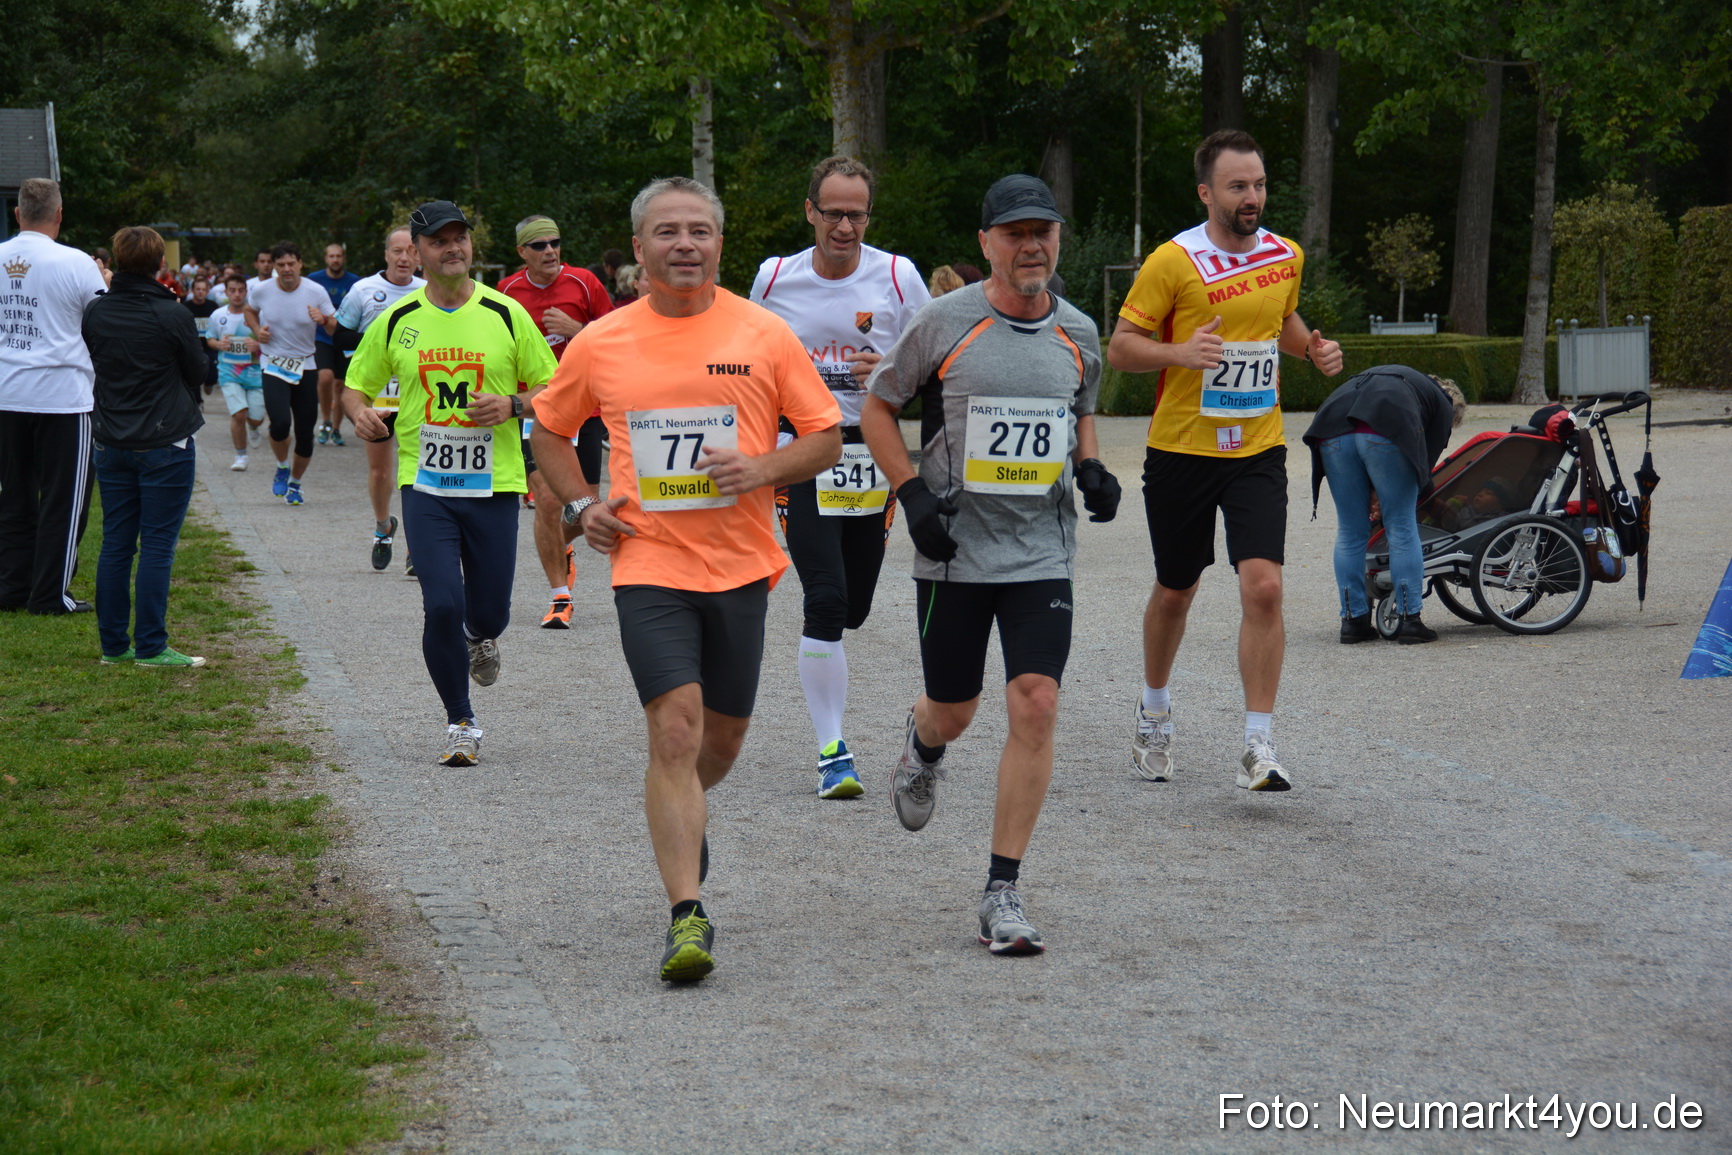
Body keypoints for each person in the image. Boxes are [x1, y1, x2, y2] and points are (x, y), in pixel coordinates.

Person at [530, 176, 840, 983]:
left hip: (741, 563)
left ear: (719, 244)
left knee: (719, 743)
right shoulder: (602, 342)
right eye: (667, 232)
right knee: (674, 727)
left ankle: (682, 808)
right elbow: (551, 431)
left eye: (699, 231)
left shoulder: (764, 333)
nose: (684, 245)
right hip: (647, 559)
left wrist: (762, 466)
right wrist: (584, 503)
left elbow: (826, 437)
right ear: (639, 249)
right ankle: (686, 915)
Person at [860, 173, 1119, 956]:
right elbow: (878, 406)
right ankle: (924, 742)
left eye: (1043, 229)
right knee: (958, 707)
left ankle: (1001, 888)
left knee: (1035, 701)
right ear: (986, 244)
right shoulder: (943, 324)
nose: (1031, 244)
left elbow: (1081, 412)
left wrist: (1093, 467)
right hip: (954, 551)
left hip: (1042, 547)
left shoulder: (1079, 329)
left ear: (1058, 239)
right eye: (1014, 232)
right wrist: (909, 496)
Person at [1106, 129, 1344, 792]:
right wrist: (1178, 354)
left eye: (1260, 184)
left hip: (1258, 447)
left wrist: (1312, 349)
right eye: (1238, 186)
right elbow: (1121, 347)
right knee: (1177, 588)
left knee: (1264, 585)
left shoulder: (1285, 255)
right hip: (1181, 449)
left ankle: (1258, 741)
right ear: (1207, 191)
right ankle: (1154, 713)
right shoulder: (1172, 261)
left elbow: (1282, 321)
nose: (1253, 197)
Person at [342, 201, 557, 765]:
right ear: (418, 251)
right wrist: (359, 413)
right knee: (440, 604)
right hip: (426, 482)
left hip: (495, 483)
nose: (453, 247)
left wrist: (512, 404)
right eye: (440, 241)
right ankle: (460, 720)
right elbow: (355, 385)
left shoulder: (506, 314)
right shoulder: (396, 319)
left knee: (490, 611)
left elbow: (555, 390)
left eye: (461, 238)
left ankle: (480, 635)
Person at [749, 155, 931, 799]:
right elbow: (748, 363)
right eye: (834, 213)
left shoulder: (898, 276)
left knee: (852, 608)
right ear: (811, 212)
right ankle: (833, 751)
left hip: (871, 455)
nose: (845, 226)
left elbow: (934, 361)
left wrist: (888, 370)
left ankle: (885, 722)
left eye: (857, 214)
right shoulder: (774, 278)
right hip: (804, 452)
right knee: (823, 600)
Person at [84, 226, 209, 668]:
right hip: (164, 440)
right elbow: (196, 371)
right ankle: (151, 646)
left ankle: (114, 646)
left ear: (116, 261)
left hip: (113, 438)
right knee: (157, 544)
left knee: (116, 542)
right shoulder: (171, 314)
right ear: (160, 264)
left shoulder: (96, 311)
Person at [497, 215, 615, 628]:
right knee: (547, 499)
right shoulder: (507, 292)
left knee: (587, 509)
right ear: (522, 253)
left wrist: (577, 330)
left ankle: (560, 547)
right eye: (539, 245)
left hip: (586, 409)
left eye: (555, 243)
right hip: (536, 409)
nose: (550, 251)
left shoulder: (584, 283)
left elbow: (617, 338)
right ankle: (560, 596)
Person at [0, 178, 108, 615]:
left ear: (17, 213)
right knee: (65, 499)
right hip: (62, 396)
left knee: (14, 497)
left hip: (8, 392)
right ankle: (48, 595)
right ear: (59, 215)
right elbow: (102, 323)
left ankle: (10, 588)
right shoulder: (77, 262)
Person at [1303, 366, 1466, 644]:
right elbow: (1422, 469)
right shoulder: (1441, 404)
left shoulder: (1395, 378)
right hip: (1384, 430)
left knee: (1351, 530)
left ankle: (1353, 621)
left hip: (1331, 429)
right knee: (1401, 526)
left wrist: (1377, 490)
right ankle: (1409, 620)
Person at [332, 225, 425, 571]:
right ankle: (384, 527)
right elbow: (339, 336)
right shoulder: (363, 290)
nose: (404, 258)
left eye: (411, 251)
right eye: (396, 251)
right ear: (385, 255)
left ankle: (417, 546)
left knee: (419, 469)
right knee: (381, 471)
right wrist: (379, 345)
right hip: (379, 391)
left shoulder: (429, 291)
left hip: (418, 390)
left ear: (420, 255)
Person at [246, 241, 335, 506]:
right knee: (281, 423)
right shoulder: (261, 290)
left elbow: (333, 328)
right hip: (273, 364)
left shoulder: (316, 291)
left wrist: (322, 319)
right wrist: (256, 330)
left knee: (305, 434)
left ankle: (295, 483)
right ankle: (282, 466)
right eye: (281, 264)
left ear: (300, 264)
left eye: (291, 264)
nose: (286, 269)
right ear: (274, 266)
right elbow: (250, 311)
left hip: (306, 365)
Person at [207, 272, 265, 470]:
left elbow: (270, 340)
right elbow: (210, 339)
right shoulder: (218, 315)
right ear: (226, 292)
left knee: (255, 417)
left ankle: (254, 426)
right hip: (229, 372)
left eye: (241, 291)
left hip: (255, 373)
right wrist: (218, 344)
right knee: (238, 414)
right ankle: (241, 456)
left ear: (246, 292)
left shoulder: (259, 314)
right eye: (232, 291)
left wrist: (258, 345)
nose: (237, 295)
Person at [307, 242, 360, 446]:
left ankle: (336, 429)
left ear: (343, 259)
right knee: (325, 376)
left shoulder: (355, 283)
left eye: (338, 256)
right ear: (325, 258)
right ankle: (326, 420)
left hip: (346, 338)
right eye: (331, 256)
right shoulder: (314, 280)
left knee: (341, 385)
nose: (335, 260)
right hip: (323, 338)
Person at [182, 275, 220, 395]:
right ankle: (197, 401)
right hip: (193, 347)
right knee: (193, 376)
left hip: (209, 346)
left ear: (207, 291)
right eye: (198, 289)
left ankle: (209, 383)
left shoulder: (213, 307)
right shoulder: (185, 307)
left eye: (203, 289)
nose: (200, 292)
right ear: (192, 290)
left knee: (212, 375)